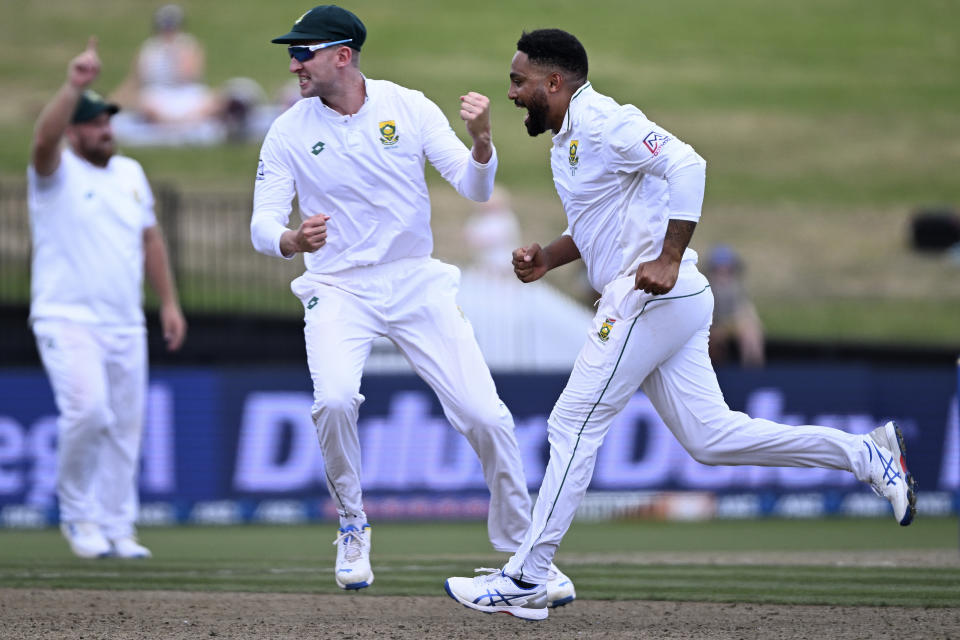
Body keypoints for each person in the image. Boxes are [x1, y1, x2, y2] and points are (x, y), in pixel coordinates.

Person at [444, 28, 916, 621]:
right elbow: (602, 225)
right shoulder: (566, 138)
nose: (511, 93)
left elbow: (688, 163)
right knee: (712, 439)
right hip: (670, 297)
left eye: (520, 81)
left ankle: (529, 578)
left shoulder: (604, 121)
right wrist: (550, 257)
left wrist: (668, 257)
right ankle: (865, 455)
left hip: (652, 294)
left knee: (571, 422)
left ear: (554, 82)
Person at [250, 6, 575, 606]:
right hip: (338, 288)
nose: (294, 62)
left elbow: (474, 189)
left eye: (305, 51)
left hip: (414, 283)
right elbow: (262, 223)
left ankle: (524, 555)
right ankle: (353, 524)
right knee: (335, 399)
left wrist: (481, 142)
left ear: (342, 55)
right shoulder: (288, 130)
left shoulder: (408, 106)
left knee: (487, 417)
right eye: (292, 52)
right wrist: (292, 240)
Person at [28, 38, 187, 559]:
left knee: (125, 427)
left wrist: (167, 303)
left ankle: (119, 526)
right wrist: (73, 86)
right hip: (67, 317)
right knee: (89, 413)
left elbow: (150, 239)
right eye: (95, 123)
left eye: (108, 121)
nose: (106, 130)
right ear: (75, 130)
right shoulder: (54, 174)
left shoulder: (130, 173)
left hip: (124, 321)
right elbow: (41, 140)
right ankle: (79, 518)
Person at [704, 244, 765, 367]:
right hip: (714, 325)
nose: (723, 274)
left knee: (751, 335)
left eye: (727, 269)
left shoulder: (737, 288)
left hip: (734, 323)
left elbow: (746, 310)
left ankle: (753, 369)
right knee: (713, 340)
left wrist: (750, 323)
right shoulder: (707, 288)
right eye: (720, 270)